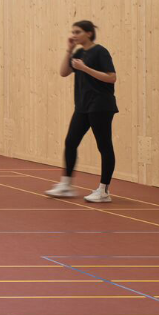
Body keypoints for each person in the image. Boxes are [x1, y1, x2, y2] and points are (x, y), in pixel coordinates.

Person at [46, 20, 118, 203]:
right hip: (83, 106)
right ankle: (66, 185)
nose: (74, 35)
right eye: (73, 32)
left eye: (77, 32)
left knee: (104, 146)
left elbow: (111, 78)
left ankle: (104, 190)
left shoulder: (100, 51)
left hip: (101, 105)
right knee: (70, 141)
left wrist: (85, 68)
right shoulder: (78, 52)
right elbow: (63, 72)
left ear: (88, 33)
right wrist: (69, 50)